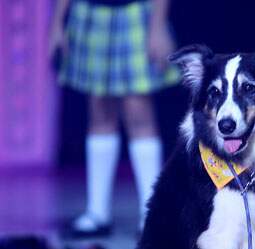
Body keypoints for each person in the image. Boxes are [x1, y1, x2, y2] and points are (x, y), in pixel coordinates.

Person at [49, 0, 178, 236]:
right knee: (99, 111)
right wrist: (57, 23)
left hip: (136, 12)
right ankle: (97, 212)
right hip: (90, 12)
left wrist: (157, 26)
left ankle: (150, 214)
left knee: (138, 111)